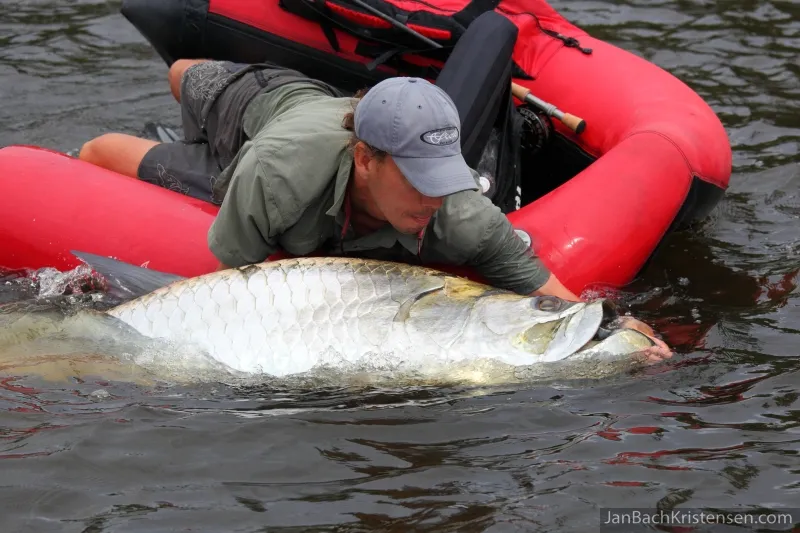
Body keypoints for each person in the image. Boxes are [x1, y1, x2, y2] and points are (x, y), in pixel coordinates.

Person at [78, 59, 671, 359]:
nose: (433, 199)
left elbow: (554, 297)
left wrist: (619, 331)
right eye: (418, 181)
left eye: (443, 179)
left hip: (315, 111)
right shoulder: (279, 177)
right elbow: (226, 291)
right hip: (266, 114)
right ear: (365, 160)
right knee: (176, 84)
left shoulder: (458, 212)